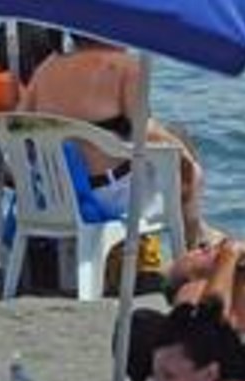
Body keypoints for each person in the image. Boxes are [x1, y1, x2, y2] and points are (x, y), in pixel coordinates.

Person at [19, 33, 211, 250]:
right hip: (109, 197)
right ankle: (192, 249)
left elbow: (18, 127)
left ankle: (200, 233)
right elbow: (145, 132)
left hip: (49, 198)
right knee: (188, 167)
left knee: (173, 145)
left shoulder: (47, 68)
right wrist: (187, 159)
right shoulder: (125, 67)